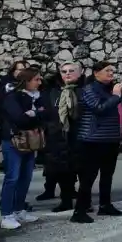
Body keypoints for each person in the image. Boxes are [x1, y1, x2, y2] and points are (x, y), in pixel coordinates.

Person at [72, 61, 122, 223]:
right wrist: (116, 96)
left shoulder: (110, 89)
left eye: (112, 71)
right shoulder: (89, 89)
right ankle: (79, 210)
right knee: (88, 177)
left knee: (107, 175)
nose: (111, 73)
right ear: (96, 73)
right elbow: (98, 108)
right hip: (92, 139)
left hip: (110, 139)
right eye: (107, 70)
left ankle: (105, 204)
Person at [0, 66, 48, 230]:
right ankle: (6, 213)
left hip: (31, 140)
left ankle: (19, 209)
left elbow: (49, 113)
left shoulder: (39, 96)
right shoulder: (12, 97)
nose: (40, 82)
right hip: (15, 140)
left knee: (25, 177)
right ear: (26, 81)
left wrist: (34, 114)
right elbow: (19, 119)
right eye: (36, 79)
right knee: (12, 177)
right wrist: (36, 114)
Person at [39, 62, 83, 212]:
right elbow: (46, 111)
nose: (67, 74)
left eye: (71, 71)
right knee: (62, 171)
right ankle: (66, 200)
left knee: (83, 171)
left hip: (79, 134)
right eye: (64, 71)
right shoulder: (53, 92)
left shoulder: (83, 90)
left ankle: (84, 202)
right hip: (58, 135)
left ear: (80, 73)